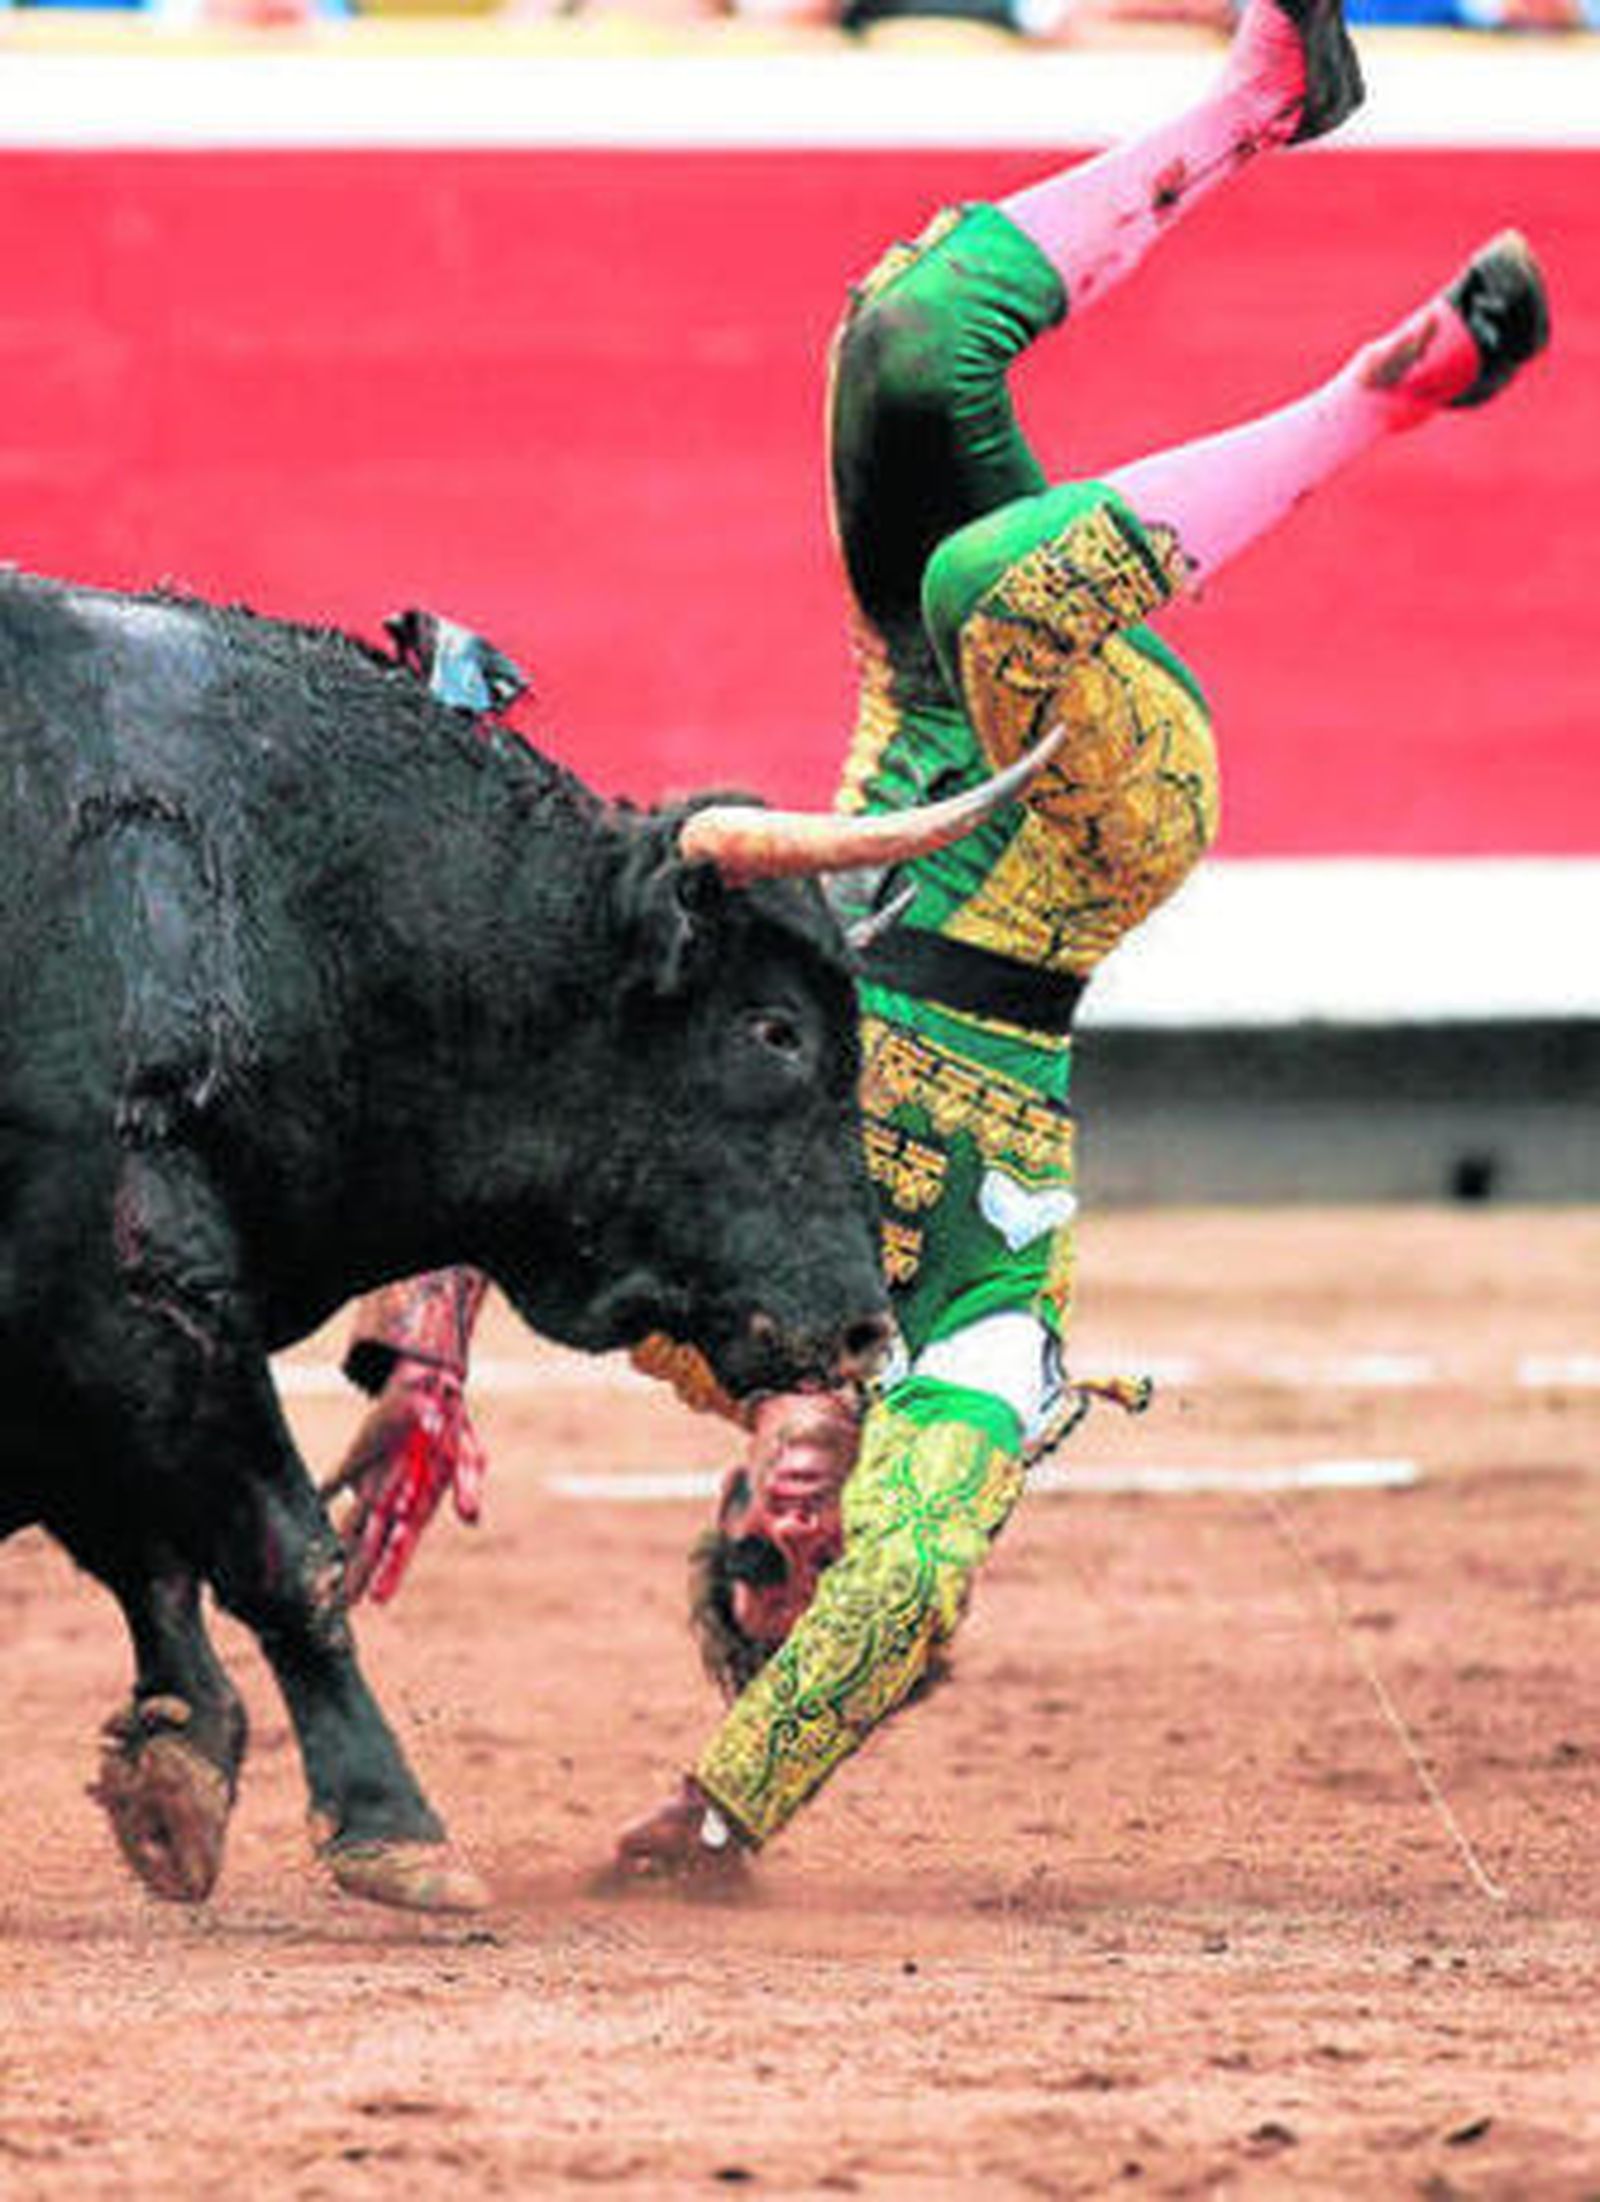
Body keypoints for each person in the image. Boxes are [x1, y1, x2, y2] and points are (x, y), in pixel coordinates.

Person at [326, 0, 1550, 1880]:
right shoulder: (979, 1359)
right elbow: (907, 1581)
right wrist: (730, 1803)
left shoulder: (692, 1319)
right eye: (807, 1575)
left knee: (897, 351)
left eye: (752, 1555)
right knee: (994, 587)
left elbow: (502, 1145)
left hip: (912, 738)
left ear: (722, 1500)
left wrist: (427, 1355)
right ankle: (1397, 390)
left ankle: (1272, 92)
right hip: (1089, 837)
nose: (798, 1532)